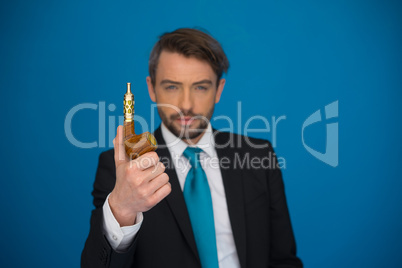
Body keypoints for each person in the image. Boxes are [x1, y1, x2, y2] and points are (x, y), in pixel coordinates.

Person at [81, 28, 303, 268]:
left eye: (200, 87)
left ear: (218, 90)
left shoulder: (258, 155)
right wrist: (121, 209)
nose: (185, 105)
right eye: (172, 87)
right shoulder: (121, 170)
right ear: (152, 88)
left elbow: (284, 261)